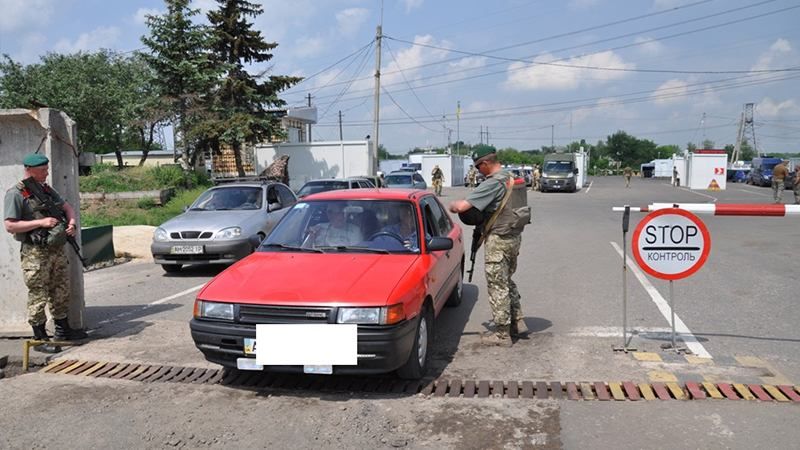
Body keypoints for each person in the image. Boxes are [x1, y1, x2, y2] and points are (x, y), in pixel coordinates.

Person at [3, 153, 87, 352]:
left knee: (61, 290)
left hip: (55, 250)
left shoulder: (46, 189)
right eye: (42, 171)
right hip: (35, 253)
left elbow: (67, 208)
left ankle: (62, 330)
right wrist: (41, 222)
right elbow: (10, 226)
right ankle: (39, 338)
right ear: (28, 170)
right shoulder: (16, 193)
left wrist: (72, 223)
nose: (46, 173)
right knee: (38, 294)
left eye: (47, 169)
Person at [448, 148, 527, 347]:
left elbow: (463, 207)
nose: (477, 170)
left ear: (485, 163)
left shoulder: (494, 182)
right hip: (513, 237)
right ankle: (518, 321)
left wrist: (453, 205)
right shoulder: (512, 176)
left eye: (477, 166)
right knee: (506, 280)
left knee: (497, 285)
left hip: (498, 240)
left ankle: (502, 334)